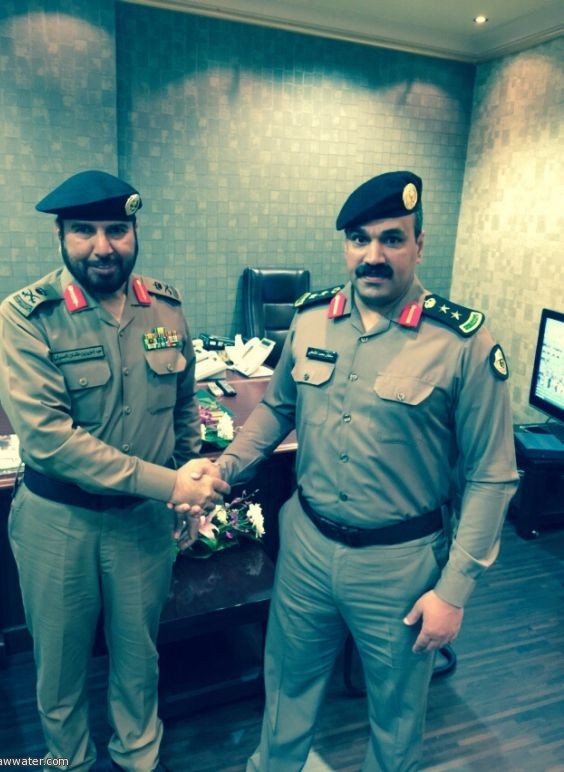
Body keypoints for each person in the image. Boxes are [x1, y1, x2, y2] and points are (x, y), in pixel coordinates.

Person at [210, 171, 519, 770]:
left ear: (419, 245)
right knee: (285, 694)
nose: (372, 255)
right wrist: (225, 469)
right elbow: (276, 408)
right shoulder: (310, 319)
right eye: (359, 239)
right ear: (345, 245)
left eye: (391, 239)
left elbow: (492, 476)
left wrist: (454, 591)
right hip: (306, 547)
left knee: (397, 718)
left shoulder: (463, 343)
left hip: (400, 567)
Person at [0, 170, 229, 772]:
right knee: (60, 669)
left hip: (142, 524)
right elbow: (50, 442)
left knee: (138, 658)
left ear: (134, 231)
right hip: (58, 524)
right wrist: (171, 484)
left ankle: (138, 757)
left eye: (116, 230)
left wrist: (186, 487)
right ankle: (68, 762)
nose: (102, 246)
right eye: (84, 231)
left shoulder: (165, 308)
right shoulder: (27, 316)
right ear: (60, 235)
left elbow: (183, 406)